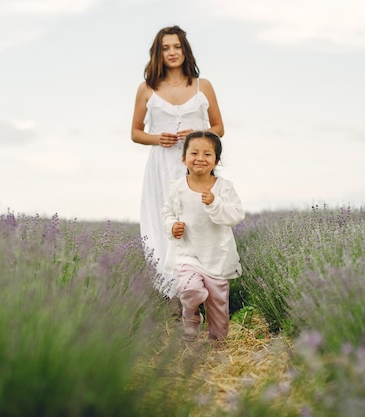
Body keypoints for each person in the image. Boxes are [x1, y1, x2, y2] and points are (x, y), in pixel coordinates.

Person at [131, 25, 224, 299]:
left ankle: (205, 295)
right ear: (158, 53)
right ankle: (173, 297)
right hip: (161, 168)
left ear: (185, 50)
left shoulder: (202, 85)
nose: (172, 52)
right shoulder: (146, 89)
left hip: (197, 167)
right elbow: (136, 133)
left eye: (177, 47)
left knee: (202, 224)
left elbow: (219, 127)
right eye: (166, 48)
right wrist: (157, 138)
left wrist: (201, 135)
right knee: (165, 226)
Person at [161, 131, 244, 342]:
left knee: (218, 307)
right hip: (188, 254)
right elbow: (167, 212)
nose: (200, 158)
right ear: (184, 158)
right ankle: (191, 323)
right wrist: (172, 226)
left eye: (207, 154)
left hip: (217, 256)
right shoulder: (177, 187)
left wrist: (214, 203)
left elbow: (236, 215)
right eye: (194, 153)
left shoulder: (223, 187)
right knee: (188, 288)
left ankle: (217, 344)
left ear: (216, 160)